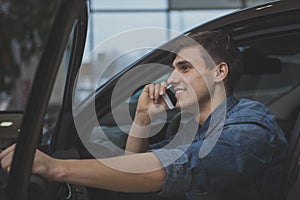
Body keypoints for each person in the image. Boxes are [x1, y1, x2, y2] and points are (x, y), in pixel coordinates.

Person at [0, 30, 287, 200]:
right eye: (173, 68)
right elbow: (134, 169)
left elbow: (177, 169)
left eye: (184, 67)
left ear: (219, 72)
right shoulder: (188, 127)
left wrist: (56, 168)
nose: (172, 78)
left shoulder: (251, 123)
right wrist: (142, 119)